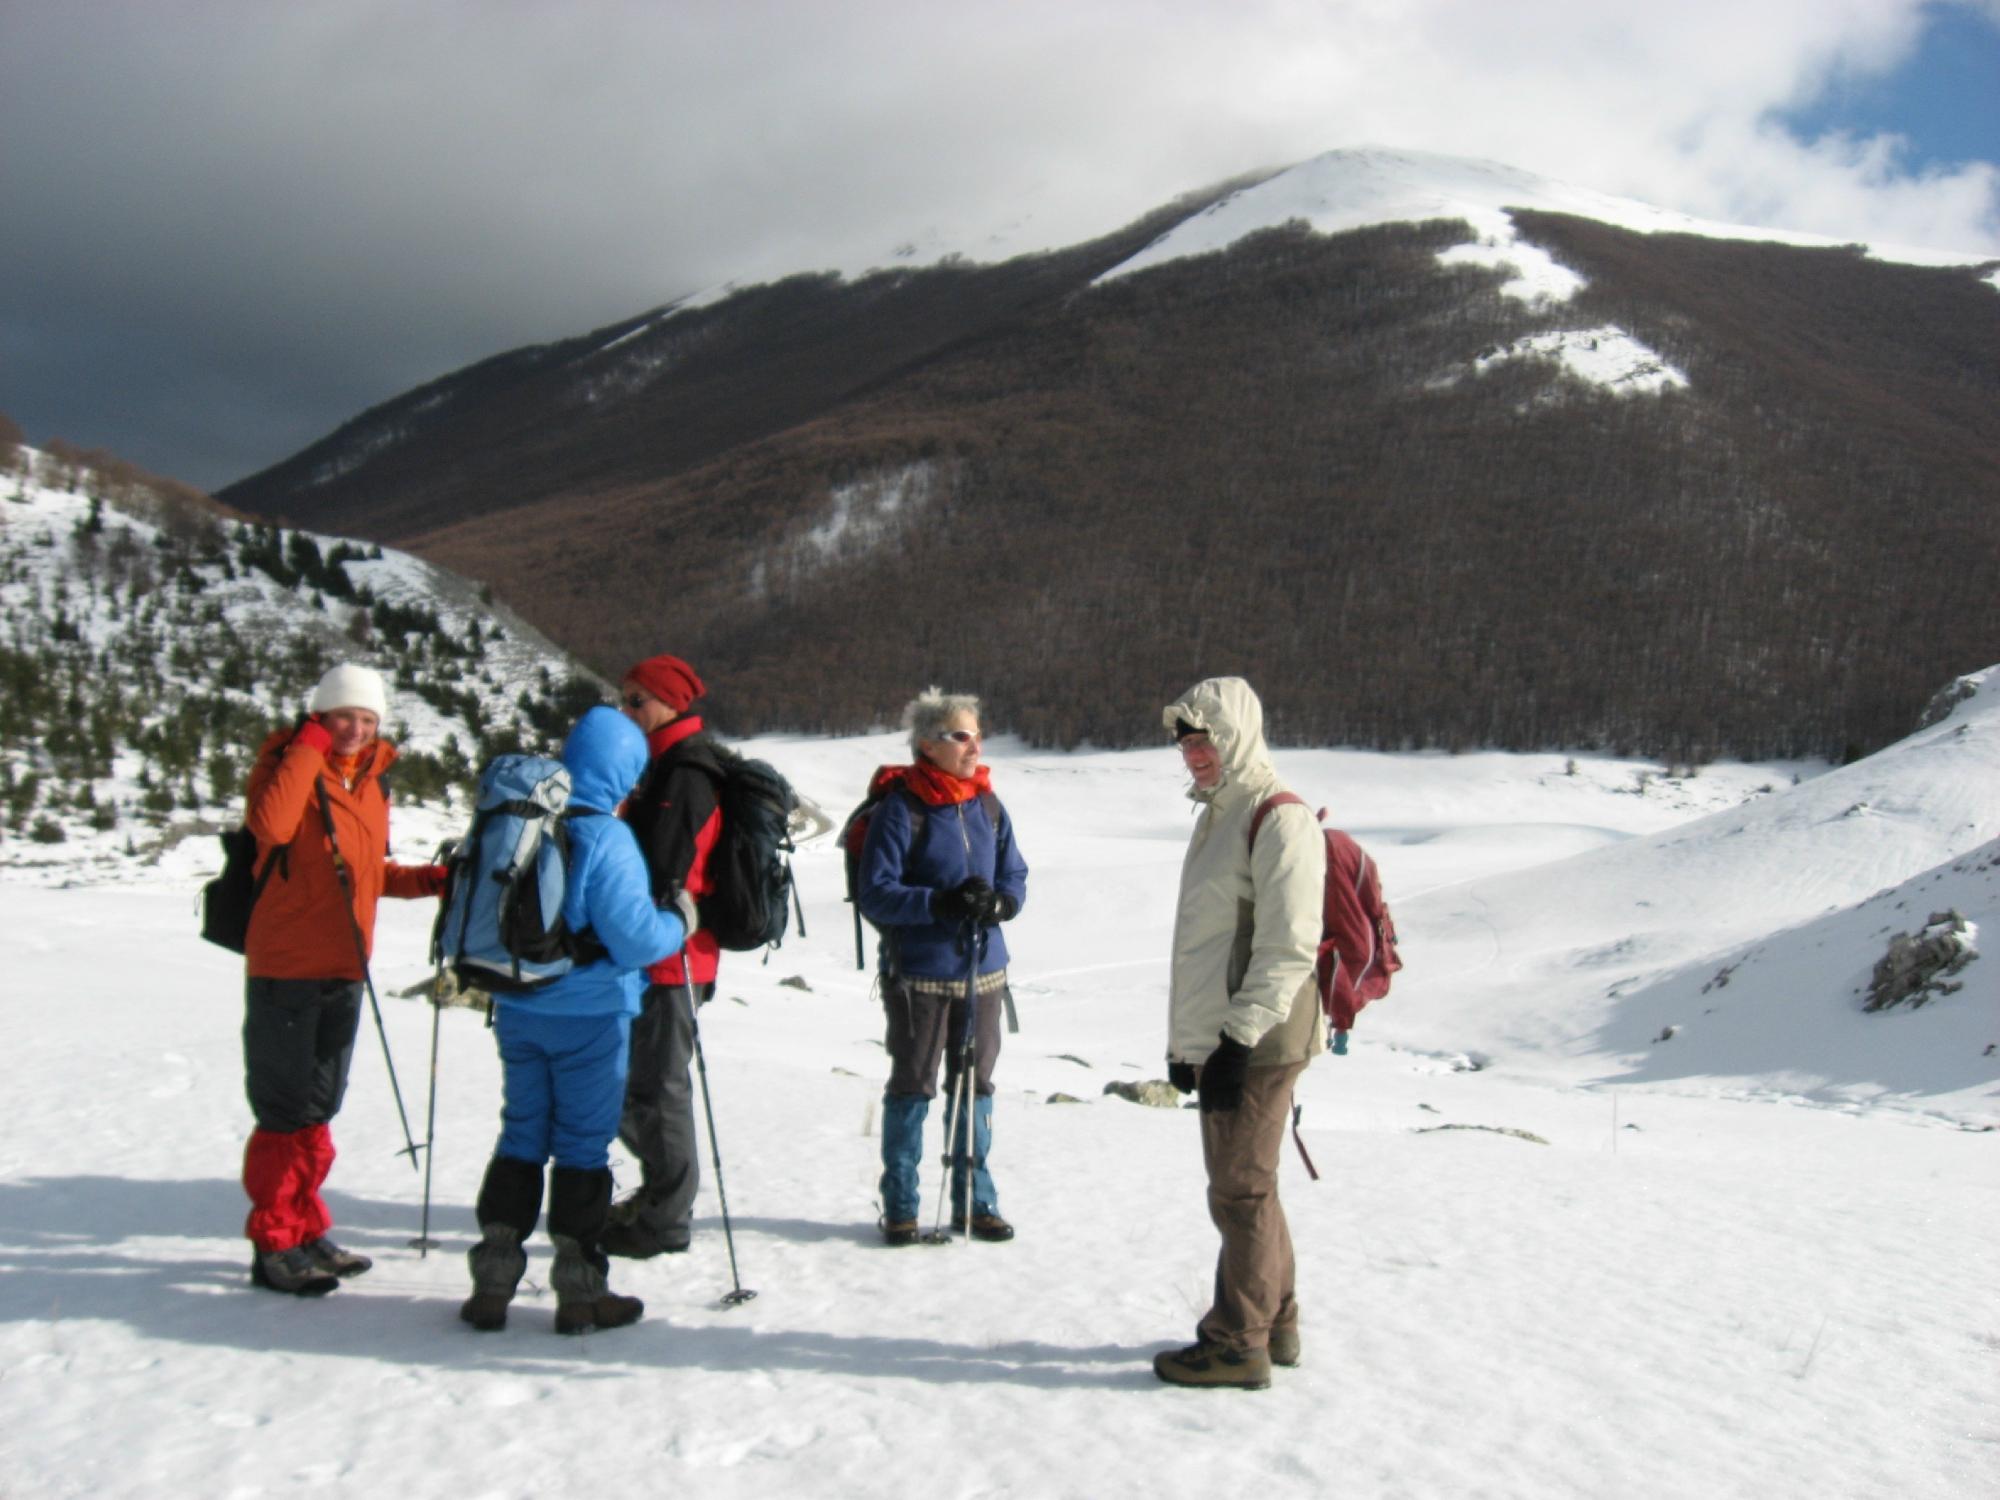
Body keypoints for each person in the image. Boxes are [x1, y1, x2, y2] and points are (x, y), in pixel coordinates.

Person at [460, 706, 695, 1334]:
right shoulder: (605, 833)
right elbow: (636, 939)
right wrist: (681, 921)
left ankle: (493, 1278)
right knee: (582, 1147)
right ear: (623, 770)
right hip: (590, 1014)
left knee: (520, 1135)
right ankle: (581, 1289)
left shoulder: (524, 817)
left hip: (516, 1004)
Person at [239, 662, 446, 1296]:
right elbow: (270, 828)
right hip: (286, 967)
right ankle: (273, 1244)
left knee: (318, 1107)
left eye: (367, 719)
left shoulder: (373, 784)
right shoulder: (288, 768)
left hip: (343, 968)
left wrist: (433, 882)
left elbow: (367, 873)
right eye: (342, 716)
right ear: (319, 716)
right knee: (282, 1111)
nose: (355, 729)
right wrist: (308, 745)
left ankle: (305, 1228)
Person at [1153, 676, 1327, 1390]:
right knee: (1252, 1186)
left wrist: (1233, 1042)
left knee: (1239, 1192)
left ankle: (1237, 1342)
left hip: (1261, 1036)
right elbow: (1208, 942)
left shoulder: (1277, 817)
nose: (1194, 755)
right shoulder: (1221, 813)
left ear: (1238, 735)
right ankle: (1275, 1324)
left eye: (1206, 739)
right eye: (1186, 742)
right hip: (1233, 1033)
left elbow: (1288, 947)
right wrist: (1187, 1047)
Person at [856, 688, 1028, 1246]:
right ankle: (902, 1205)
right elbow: (876, 893)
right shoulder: (899, 810)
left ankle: (976, 1203)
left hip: (983, 973)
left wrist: (1001, 904)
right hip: (920, 977)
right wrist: (940, 903)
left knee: (976, 1086)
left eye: (976, 733)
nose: (974, 745)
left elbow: (1015, 875)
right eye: (960, 735)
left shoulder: (989, 806)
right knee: (914, 1084)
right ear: (927, 745)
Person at [604, 653, 723, 1260]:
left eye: (636, 701)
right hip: (669, 955)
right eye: (623, 700)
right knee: (644, 1088)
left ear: (670, 703)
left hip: (669, 956)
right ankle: (659, 1200)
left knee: (658, 1090)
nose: (626, 711)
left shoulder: (681, 774)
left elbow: (664, 875)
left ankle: (666, 1217)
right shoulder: (665, 765)